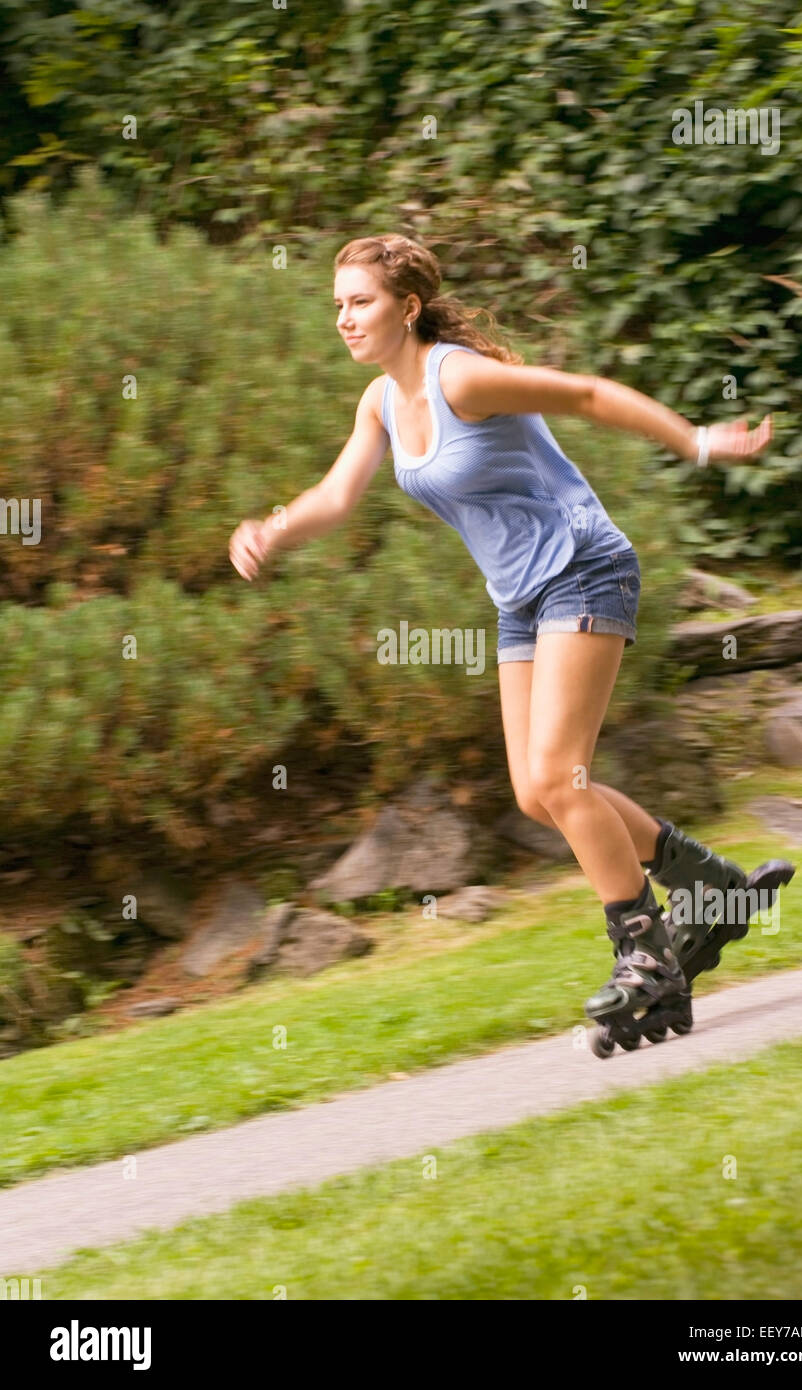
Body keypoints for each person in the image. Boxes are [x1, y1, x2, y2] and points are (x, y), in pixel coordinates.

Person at [229, 233, 773, 1043]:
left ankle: (645, 954)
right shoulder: (380, 401)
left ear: (406, 307)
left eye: (360, 302)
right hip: (520, 599)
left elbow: (586, 393)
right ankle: (706, 880)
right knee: (538, 791)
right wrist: (272, 530)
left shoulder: (460, 377)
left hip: (583, 568)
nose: (343, 319)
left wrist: (691, 439)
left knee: (560, 775)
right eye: (337, 305)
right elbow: (337, 495)